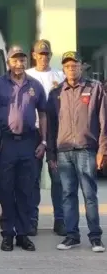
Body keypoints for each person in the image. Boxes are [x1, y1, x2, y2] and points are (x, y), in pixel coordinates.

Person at [0, 46, 47, 252]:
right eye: (15, 60)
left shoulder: (35, 85)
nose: (19, 64)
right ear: (8, 63)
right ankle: (7, 234)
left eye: (22, 60)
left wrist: (44, 142)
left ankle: (23, 234)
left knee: (26, 190)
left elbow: (43, 113)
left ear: (26, 62)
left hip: (29, 143)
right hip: (5, 143)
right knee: (5, 190)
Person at [47, 51, 106, 252]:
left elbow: (103, 122)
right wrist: (51, 154)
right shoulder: (56, 93)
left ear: (82, 66)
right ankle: (72, 236)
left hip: (86, 149)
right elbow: (51, 127)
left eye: (75, 65)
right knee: (67, 194)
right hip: (63, 151)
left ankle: (95, 237)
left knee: (89, 194)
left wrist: (102, 150)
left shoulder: (95, 88)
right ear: (63, 69)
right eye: (67, 66)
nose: (71, 69)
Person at [26, 39, 66, 236]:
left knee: (58, 179)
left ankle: (60, 220)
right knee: (33, 179)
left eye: (47, 54)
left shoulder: (59, 75)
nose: (44, 57)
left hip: (55, 135)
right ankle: (32, 220)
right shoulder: (27, 76)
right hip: (33, 133)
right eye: (40, 54)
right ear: (34, 55)